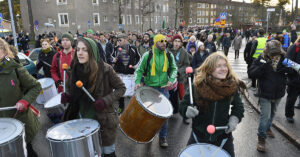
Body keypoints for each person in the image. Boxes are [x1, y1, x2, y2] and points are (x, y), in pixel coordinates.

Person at [61, 37, 126, 157]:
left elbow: (121, 88)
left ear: (92, 52)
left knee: (107, 153)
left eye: (84, 50)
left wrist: (105, 101)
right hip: (81, 119)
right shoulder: (73, 69)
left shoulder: (106, 69)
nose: (80, 53)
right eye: (78, 49)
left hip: (103, 120)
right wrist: (68, 96)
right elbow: (71, 90)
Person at [179, 52, 245, 157]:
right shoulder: (197, 86)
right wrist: (187, 111)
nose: (224, 69)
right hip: (199, 135)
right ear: (209, 69)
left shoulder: (231, 86)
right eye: (219, 66)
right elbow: (182, 106)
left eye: (225, 65)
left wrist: (234, 119)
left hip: (222, 136)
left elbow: (239, 107)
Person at [0, 38, 42, 157]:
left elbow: (36, 86)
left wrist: (25, 101)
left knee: (26, 152)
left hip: (20, 121)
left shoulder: (15, 68)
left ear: (4, 51)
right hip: (2, 125)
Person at [134, 34, 178, 148]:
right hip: (150, 89)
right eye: (161, 41)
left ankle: (162, 137)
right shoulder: (147, 55)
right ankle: (148, 136)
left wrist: (171, 80)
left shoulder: (169, 55)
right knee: (149, 115)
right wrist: (137, 82)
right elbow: (139, 70)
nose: (164, 43)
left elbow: (174, 69)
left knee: (164, 116)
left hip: (163, 90)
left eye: (165, 41)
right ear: (156, 42)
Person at [248, 40, 291, 152]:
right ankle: (261, 138)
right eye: (272, 54)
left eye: (276, 54)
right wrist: (263, 67)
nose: (274, 57)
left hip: (278, 93)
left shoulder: (283, 59)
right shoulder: (261, 59)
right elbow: (251, 73)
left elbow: (295, 69)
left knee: (272, 113)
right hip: (265, 93)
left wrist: (287, 70)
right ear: (267, 52)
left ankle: (267, 128)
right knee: (265, 116)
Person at [112, 34, 140, 114]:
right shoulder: (116, 48)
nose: (118, 42)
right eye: (117, 40)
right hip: (119, 73)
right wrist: (113, 61)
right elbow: (112, 58)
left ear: (125, 39)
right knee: (120, 92)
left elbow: (138, 57)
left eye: (120, 40)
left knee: (131, 93)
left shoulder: (133, 48)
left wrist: (135, 65)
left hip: (130, 74)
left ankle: (131, 109)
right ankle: (121, 107)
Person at [168, 34, 192, 123]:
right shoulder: (168, 51)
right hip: (170, 79)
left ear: (181, 43)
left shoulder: (184, 52)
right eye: (175, 41)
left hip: (180, 78)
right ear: (172, 42)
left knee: (183, 97)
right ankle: (170, 112)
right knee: (170, 96)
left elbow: (186, 65)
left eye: (179, 41)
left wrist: (178, 72)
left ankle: (185, 117)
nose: (177, 43)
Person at [285, 36, 300, 122]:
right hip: (295, 79)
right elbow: (286, 61)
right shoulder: (295, 47)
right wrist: (298, 67)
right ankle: (289, 115)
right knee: (291, 98)